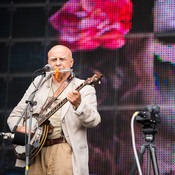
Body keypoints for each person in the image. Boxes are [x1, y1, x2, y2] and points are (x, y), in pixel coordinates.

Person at [7, 45, 101, 175]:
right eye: (53, 60)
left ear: (71, 62)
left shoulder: (84, 88)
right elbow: (16, 114)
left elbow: (94, 121)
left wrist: (79, 105)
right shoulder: (38, 83)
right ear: (48, 63)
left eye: (62, 59)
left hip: (64, 149)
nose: (57, 63)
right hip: (35, 151)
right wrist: (19, 127)